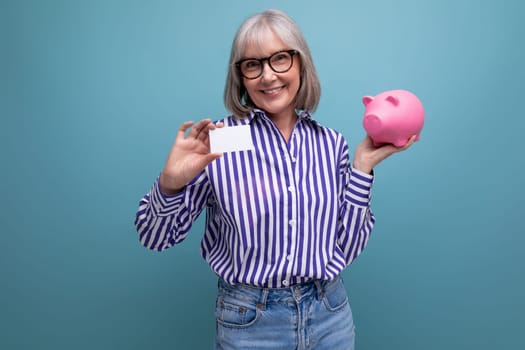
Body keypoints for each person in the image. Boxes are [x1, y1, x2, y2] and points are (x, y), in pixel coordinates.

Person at [134, 9, 415, 350]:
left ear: (300, 63)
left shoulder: (330, 144)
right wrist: (170, 185)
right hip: (250, 322)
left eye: (280, 58)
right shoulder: (219, 142)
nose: (268, 76)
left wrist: (361, 168)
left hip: (330, 314)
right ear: (241, 76)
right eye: (253, 64)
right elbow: (154, 237)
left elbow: (347, 248)